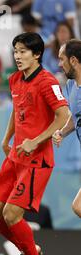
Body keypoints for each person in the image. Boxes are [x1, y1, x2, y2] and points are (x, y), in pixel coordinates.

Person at [0, 32, 70, 255]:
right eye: (15, 51)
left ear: (37, 54)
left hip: (37, 160)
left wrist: (36, 140)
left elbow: (63, 115)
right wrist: (7, 136)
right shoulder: (14, 79)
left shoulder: (47, 81)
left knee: (12, 214)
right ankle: (30, 249)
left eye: (23, 51)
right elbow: (16, 108)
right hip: (15, 157)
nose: (18, 56)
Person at [52, 39, 81, 218]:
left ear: (73, 61)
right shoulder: (70, 85)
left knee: (78, 206)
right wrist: (62, 131)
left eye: (62, 59)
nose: (59, 64)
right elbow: (75, 116)